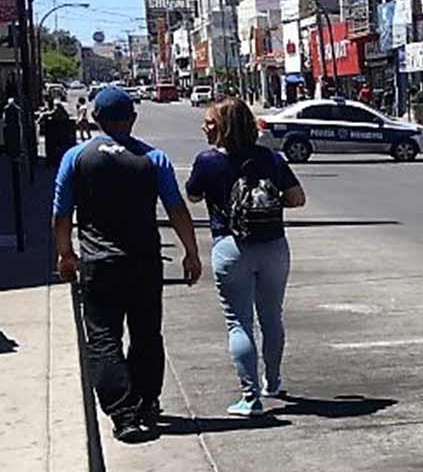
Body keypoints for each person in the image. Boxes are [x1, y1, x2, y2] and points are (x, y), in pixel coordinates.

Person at [53, 87, 202, 443]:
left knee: (104, 338)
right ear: (132, 119)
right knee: (147, 334)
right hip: (144, 262)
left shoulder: (75, 157)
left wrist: (65, 253)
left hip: (98, 263)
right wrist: (190, 252)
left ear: (95, 119)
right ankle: (147, 401)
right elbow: (176, 208)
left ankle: (123, 415)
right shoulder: (154, 158)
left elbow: (61, 213)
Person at [185, 98, 305, 418]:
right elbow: (297, 199)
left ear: (223, 127)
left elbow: (193, 195)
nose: (204, 127)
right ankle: (273, 381)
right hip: (273, 247)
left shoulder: (207, 161)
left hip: (231, 247)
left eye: (209, 123)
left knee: (239, 322)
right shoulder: (270, 158)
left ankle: (250, 398)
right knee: (271, 317)